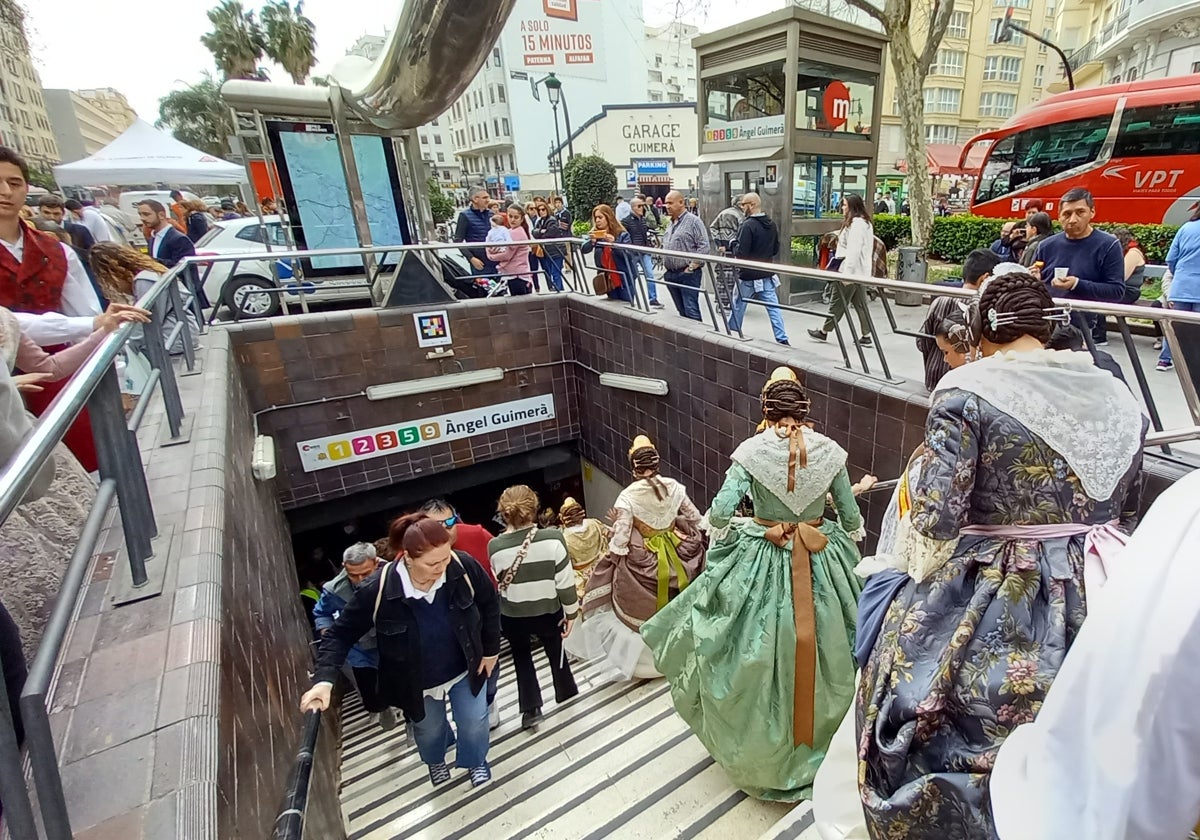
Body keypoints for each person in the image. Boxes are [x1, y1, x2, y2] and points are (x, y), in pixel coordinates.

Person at [856, 271, 1147, 839]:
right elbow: (1127, 510)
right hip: (1106, 581)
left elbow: (937, 518)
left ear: (984, 330)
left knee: (918, 688)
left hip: (998, 587)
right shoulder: (1119, 395)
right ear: (1046, 325)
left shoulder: (967, 394)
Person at [643, 367, 865, 801]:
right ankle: (830, 745)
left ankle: (769, 746)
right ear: (805, 408)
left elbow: (722, 512)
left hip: (766, 555)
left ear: (765, 409)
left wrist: (757, 526)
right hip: (823, 556)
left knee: (756, 650)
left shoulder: (751, 451)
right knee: (833, 646)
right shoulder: (830, 451)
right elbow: (851, 517)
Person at [989, 468, 1200, 840]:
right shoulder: (1137, 426)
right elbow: (1128, 512)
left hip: (1009, 571)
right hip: (1094, 572)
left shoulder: (1187, 510)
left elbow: (936, 519)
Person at [300, 514, 500, 788]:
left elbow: (489, 603)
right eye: (432, 563)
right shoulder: (378, 589)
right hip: (417, 681)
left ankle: (476, 760)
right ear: (408, 557)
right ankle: (435, 760)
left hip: (466, 666)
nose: (442, 567)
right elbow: (340, 633)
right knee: (430, 732)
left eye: (445, 558)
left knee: (474, 723)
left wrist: (490, 651)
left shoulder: (460, 566)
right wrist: (324, 681)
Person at [0, 148, 103, 472]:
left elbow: (86, 312)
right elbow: (11, 324)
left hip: (57, 370)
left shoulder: (57, 249)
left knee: (83, 463)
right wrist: (88, 326)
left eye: (14, 182)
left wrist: (113, 374)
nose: (5, 191)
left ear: (26, 188)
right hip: (6, 376)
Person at [575, 435, 705, 679]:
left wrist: (614, 554)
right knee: (684, 595)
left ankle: (653, 662)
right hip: (678, 547)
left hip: (645, 556)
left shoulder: (627, 497)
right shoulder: (674, 487)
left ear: (633, 466)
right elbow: (695, 517)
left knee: (644, 607)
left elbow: (622, 536)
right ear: (657, 462)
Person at [488, 485, 579, 731]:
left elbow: (499, 580)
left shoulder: (494, 546)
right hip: (549, 609)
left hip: (513, 614)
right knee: (555, 647)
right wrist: (571, 613)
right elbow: (565, 583)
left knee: (521, 658)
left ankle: (531, 709)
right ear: (534, 508)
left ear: (504, 513)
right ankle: (566, 691)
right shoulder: (553, 539)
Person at [310, 542, 398, 731]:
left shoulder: (395, 574)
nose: (359, 580)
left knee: (407, 683)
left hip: (393, 639)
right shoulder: (334, 589)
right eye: (353, 575)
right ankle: (381, 708)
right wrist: (327, 630)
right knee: (371, 694)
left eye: (365, 574)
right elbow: (321, 612)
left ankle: (412, 721)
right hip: (361, 648)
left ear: (376, 564)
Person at [1036, 187, 1125, 346]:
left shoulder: (1108, 245)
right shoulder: (1045, 246)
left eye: (1080, 212)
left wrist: (1077, 284)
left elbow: (1116, 291)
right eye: (1067, 214)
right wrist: (1033, 281)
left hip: (1083, 329)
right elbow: (1038, 283)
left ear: (1092, 212)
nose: (1073, 219)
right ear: (1059, 216)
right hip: (1044, 325)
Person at [90, 243, 200, 355]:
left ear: (113, 272)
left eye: (108, 281)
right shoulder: (149, 273)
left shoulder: (144, 281)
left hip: (174, 340)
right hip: (182, 335)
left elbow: (146, 322)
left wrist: (122, 349)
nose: (113, 287)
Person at [917, 248, 1001, 389]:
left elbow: (922, 342)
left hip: (934, 378)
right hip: (965, 385)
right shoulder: (983, 309)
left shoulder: (940, 301)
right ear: (985, 278)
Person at [808, 194, 876, 347]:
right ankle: (866, 335)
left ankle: (824, 331)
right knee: (860, 304)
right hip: (859, 272)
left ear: (852, 206)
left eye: (845, 205)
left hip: (849, 270)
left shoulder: (857, 224)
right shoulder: (864, 223)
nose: (843, 208)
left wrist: (847, 274)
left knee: (837, 301)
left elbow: (853, 250)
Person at [727, 192, 789, 345]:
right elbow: (775, 249)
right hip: (766, 274)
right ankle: (782, 338)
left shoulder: (747, 225)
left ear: (752, 205)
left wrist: (733, 244)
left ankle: (733, 333)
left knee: (738, 305)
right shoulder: (772, 224)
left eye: (744, 204)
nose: (742, 207)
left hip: (748, 276)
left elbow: (741, 254)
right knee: (774, 308)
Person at [1157, 207, 1200, 372]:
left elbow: (1171, 258)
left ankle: (1165, 360)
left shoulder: (1186, 228)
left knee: (1174, 325)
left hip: (1181, 285)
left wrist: (1180, 275)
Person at [661, 190, 709, 321]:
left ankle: (698, 339)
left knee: (691, 309)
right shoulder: (671, 223)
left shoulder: (694, 221)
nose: (667, 206)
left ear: (681, 203)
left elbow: (704, 245)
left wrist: (692, 267)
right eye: (666, 203)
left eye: (670, 203)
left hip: (687, 273)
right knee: (681, 311)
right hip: (671, 273)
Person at [581, 204, 635, 303]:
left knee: (626, 306)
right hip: (607, 279)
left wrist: (614, 244)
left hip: (623, 278)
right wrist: (592, 241)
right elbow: (583, 249)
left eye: (600, 217)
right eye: (595, 218)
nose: (597, 220)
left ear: (608, 217)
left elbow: (628, 255)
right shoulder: (596, 234)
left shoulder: (622, 234)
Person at [557, 497, 609, 601]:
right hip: (603, 569)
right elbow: (608, 534)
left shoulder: (563, 538)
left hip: (581, 579)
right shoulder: (594, 524)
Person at [485, 205, 534, 297]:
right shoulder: (513, 231)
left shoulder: (515, 232)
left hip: (517, 275)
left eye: (516, 217)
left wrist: (490, 255)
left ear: (522, 219)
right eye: (510, 216)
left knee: (518, 306)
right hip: (518, 274)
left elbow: (506, 255)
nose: (512, 220)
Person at [624, 197, 662, 307]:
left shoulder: (643, 220)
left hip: (644, 251)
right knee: (633, 275)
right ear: (632, 207)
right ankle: (630, 297)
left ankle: (653, 298)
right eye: (639, 206)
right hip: (633, 253)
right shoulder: (626, 221)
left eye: (643, 205)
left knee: (649, 274)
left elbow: (647, 231)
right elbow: (624, 236)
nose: (642, 208)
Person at [137, 200, 196, 271]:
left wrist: (151, 261)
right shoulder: (153, 237)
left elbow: (183, 268)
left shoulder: (179, 239)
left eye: (146, 214)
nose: (142, 218)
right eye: (140, 214)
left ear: (161, 215)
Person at [454, 188, 497, 281]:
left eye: (488, 197)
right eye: (484, 197)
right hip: (479, 263)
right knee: (483, 291)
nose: (488, 200)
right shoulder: (464, 216)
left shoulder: (491, 214)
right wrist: (471, 258)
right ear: (475, 199)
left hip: (495, 261)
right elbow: (458, 240)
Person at [531, 200, 566, 292]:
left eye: (543, 209)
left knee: (555, 273)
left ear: (547, 209)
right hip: (547, 251)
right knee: (551, 272)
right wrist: (540, 232)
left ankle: (560, 290)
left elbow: (550, 233)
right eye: (539, 210)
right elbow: (534, 232)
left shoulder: (551, 220)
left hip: (556, 250)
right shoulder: (540, 221)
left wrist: (541, 232)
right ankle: (559, 289)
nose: (541, 211)